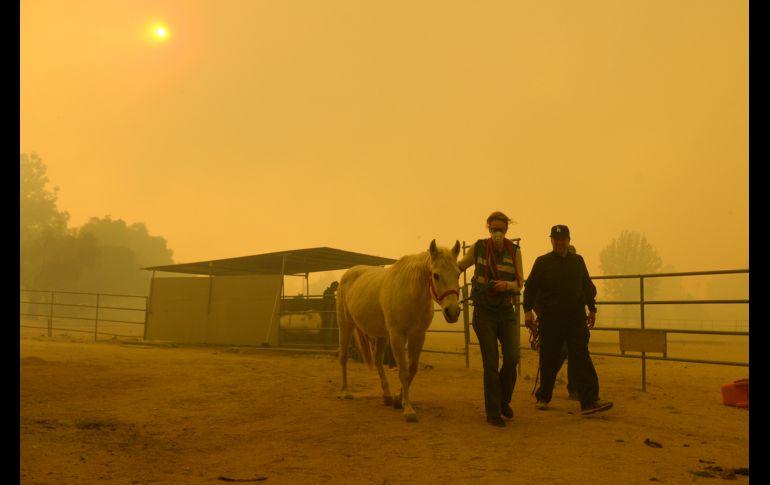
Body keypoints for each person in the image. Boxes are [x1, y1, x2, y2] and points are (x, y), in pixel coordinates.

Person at [523, 225, 613, 415]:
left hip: (575, 320)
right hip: (550, 320)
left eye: (563, 239)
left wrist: (592, 309)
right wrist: (527, 310)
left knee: (581, 357)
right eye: (556, 239)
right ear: (551, 241)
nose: (559, 242)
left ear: (569, 240)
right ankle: (543, 396)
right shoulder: (542, 263)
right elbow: (530, 287)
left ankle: (589, 400)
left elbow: (587, 286)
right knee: (548, 359)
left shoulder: (578, 262)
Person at [458, 211, 523, 427]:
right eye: (494, 229)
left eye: (501, 229)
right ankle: (493, 412)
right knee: (491, 363)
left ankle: (503, 400)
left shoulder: (514, 251)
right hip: (484, 311)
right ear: (488, 228)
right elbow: (459, 266)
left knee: (512, 357)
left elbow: (519, 282)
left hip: (506, 310)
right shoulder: (478, 248)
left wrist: (507, 286)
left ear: (506, 230)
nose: (497, 233)